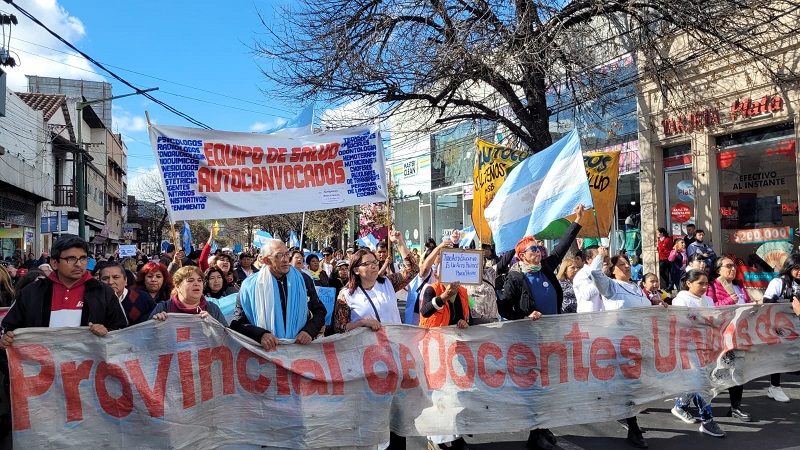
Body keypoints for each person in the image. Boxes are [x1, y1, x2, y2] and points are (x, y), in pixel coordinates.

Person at [498, 204, 584, 450]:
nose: (540, 250)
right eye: (534, 248)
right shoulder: (515, 278)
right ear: (523, 255)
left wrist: (577, 221)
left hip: (552, 336)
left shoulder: (546, 268)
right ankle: (535, 434)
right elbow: (504, 308)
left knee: (549, 383)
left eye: (539, 247)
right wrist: (524, 316)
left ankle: (543, 426)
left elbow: (562, 246)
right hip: (530, 340)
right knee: (535, 384)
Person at [332, 230, 417, 450]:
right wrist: (362, 323)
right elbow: (338, 328)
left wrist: (400, 243)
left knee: (398, 410)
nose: (373, 265)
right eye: (367, 263)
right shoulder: (346, 295)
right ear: (356, 270)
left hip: (396, 357)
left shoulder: (387, 283)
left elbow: (413, 270)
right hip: (368, 364)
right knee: (375, 412)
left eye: (374, 261)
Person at [1, 235, 127, 348]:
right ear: (54, 263)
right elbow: (9, 328)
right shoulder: (31, 292)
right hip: (42, 370)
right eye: (71, 259)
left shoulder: (104, 292)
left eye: (83, 258)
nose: (79, 264)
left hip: (89, 370)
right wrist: (6, 339)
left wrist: (107, 331)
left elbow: (122, 331)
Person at [587, 248, 651, 448]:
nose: (626, 267)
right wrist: (600, 256)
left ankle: (622, 412)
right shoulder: (611, 286)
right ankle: (633, 428)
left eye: (628, 264)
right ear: (613, 269)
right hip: (619, 343)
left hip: (639, 343)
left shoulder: (638, 288)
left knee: (633, 386)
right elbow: (594, 274)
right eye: (621, 265)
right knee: (627, 386)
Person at [231, 239, 326, 350]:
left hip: (300, 349)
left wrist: (309, 331)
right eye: (279, 255)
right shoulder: (249, 286)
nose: (285, 260)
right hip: (266, 353)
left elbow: (319, 311)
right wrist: (261, 334)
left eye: (287, 254)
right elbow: (237, 322)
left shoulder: (303, 280)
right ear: (266, 260)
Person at [670, 269, 726, 437]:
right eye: (700, 283)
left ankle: (680, 406)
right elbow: (682, 324)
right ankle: (707, 421)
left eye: (706, 284)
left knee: (696, 381)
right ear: (688, 283)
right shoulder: (680, 300)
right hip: (688, 348)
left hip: (707, 346)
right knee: (702, 383)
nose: (704, 287)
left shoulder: (708, 300)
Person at [419, 279, 470, 450]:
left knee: (455, 394)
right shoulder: (432, 289)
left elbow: (463, 316)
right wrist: (445, 296)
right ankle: (436, 439)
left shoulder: (463, 291)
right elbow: (425, 312)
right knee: (438, 394)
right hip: (435, 349)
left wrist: (463, 322)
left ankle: (455, 436)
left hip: (454, 349)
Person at [706, 256, 752, 422]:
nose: (733, 269)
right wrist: (728, 300)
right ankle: (693, 406)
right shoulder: (711, 286)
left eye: (734, 266)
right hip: (719, 336)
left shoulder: (739, 286)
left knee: (738, 370)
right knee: (713, 372)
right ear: (718, 270)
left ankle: (735, 407)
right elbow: (709, 308)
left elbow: (746, 303)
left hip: (738, 335)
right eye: (728, 266)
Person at [759, 253, 800, 403]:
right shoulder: (779, 282)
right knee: (778, 357)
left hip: (797, 326)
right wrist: (785, 301)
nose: (799, 271)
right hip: (780, 326)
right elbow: (766, 303)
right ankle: (774, 387)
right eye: (796, 268)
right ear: (789, 267)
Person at [404, 234, 456, 325]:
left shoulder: (444, 275)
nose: (442, 256)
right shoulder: (426, 273)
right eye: (439, 254)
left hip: (437, 320)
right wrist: (438, 247)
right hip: (418, 320)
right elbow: (424, 267)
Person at [150, 266, 228, 325]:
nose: (196, 284)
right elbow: (146, 339)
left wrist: (215, 326)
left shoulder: (213, 309)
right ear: (177, 286)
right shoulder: (163, 308)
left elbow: (228, 338)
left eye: (199, 280)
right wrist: (155, 325)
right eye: (190, 280)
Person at [573, 246, 606, 313]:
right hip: (589, 318)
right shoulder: (582, 274)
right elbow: (586, 295)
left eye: (604, 257)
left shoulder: (605, 271)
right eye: (598, 257)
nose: (602, 260)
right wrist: (599, 278)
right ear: (588, 259)